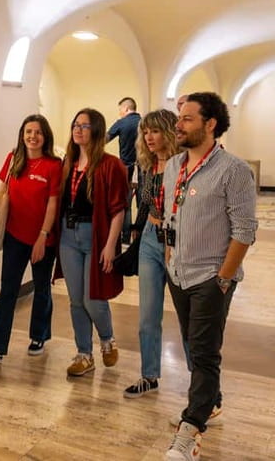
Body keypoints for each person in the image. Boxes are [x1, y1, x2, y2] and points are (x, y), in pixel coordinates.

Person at [163, 92, 257, 461]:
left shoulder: (233, 170)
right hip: (179, 273)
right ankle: (211, 402)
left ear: (210, 123)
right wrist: (170, 258)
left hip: (210, 277)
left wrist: (223, 278)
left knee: (203, 354)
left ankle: (191, 430)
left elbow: (245, 229)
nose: (178, 125)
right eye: (179, 118)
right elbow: (173, 215)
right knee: (192, 344)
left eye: (187, 118)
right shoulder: (173, 166)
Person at [0, 114, 62, 364]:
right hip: (14, 235)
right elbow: (1, 193)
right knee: (8, 289)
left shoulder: (54, 165)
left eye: (38, 132)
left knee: (41, 288)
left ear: (46, 136)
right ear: (22, 134)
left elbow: (53, 205)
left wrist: (42, 237)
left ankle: (39, 335)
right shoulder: (14, 159)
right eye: (29, 131)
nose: (33, 136)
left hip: (43, 239)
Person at [57, 108, 128, 376]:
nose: (78, 129)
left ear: (96, 130)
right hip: (68, 236)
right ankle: (83, 354)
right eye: (76, 124)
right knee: (76, 300)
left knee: (93, 298)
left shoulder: (111, 165)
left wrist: (111, 245)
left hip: (95, 237)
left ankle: (107, 339)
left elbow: (118, 209)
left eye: (85, 126)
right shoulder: (68, 163)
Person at [122, 109, 179, 398]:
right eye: (146, 132)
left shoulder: (183, 165)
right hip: (148, 239)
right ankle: (149, 375)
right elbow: (144, 201)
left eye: (155, 131)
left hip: (178, 242)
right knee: (147, 314)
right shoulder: (146, 164)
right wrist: (135, 229)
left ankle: (203, 387)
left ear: (168, 132)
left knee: (188, 316)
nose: (149, 137)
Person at [107, 97, 142, 243]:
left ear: (126, 108)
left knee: (125, 205)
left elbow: (104, 139)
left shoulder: (121, 123)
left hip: (126, 169)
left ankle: (125, 237)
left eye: (120, 110)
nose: (120, 113)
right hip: (143, 169)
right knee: (142, 204)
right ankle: (139, 237)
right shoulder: (144, 122)